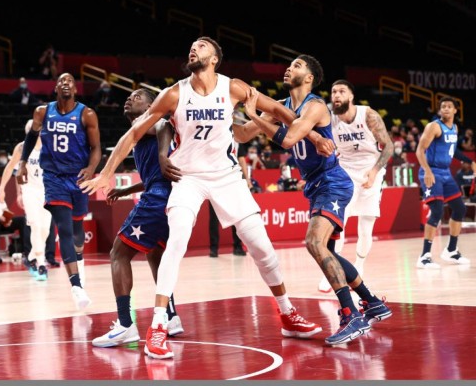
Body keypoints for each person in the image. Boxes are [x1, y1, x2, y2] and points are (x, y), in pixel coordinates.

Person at [81, 37, 325, 360]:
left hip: (227, 177)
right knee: (177, 240)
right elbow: (135, 132)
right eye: (193, 45)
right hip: (189, 178)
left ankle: (287, 313)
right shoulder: (174, 93)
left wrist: (314, 135)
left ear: (214, 59)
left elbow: (280, 110)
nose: (194, 48)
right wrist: (107, 172)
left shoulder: (232, 87)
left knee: (262, 248)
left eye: (203, 46)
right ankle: (158, 325)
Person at [241, 54, 391, 345]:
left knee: (314, 242)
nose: (289, 68)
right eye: (289, 65)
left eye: (296, 65)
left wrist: (255, 114)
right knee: (329, 252)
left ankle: (351, 314)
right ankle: (372, 302)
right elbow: (245, 134)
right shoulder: (282, 106)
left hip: (333, 182)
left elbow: (288, 138)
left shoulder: (316, 105)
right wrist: (221, 118)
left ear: (309, 77)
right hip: (316, 185)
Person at [92, 88, 184, 347]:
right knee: (155, 254)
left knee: (118, 254)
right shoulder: (144, 130)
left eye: (137, 97)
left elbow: (164, 124)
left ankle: (125, 324)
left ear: (151, 105)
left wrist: (163, 155)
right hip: (170, 199)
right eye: (129, 96)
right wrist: (125, 190)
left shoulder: (152, 122)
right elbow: (156, 174)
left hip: (157, 199)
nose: (129, 99)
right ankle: (171, 317)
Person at [17, 72, 102, 310]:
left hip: (78, 177)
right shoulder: (42, 112)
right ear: (56, 88)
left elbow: (96, 148)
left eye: (70, 82)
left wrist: (91, 168)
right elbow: (30, 138)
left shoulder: (87, 114)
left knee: (77, 231)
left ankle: (79, 264)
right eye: (62, 81)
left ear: (75, 89)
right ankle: (76, 286)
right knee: (64, 228)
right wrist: (22, 163)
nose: (66, 84)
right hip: (53, 177)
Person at [316, 80, 394, 294]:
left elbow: (388, 146)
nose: (336, 95)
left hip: (371, 169)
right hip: (345, 171)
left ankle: (359, 267)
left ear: (351, 96)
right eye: (333, 91)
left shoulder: (368, 115)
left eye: (341, 91)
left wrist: (375, 171)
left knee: (366, 228)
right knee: (336, 224)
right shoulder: (328, 117)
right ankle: (333, 271)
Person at [415, 97, 475, 269]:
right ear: (440, 110)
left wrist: (470, 161)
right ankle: (424, 256)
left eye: (449, 106)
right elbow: (420, 150)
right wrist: (427, 171)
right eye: (443, 107)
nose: (446, 109)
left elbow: (452, 150)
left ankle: (451, 250)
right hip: (431, 172)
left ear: (455, 110)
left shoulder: (454, 128)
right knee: (437, 211)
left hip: (445, 173)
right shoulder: (433, 126)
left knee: (460, 208)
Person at [0, 119, 57, 280]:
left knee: (45, 229)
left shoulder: (50, 146)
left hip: (47, 190)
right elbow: (10, 167)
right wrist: (2, 188)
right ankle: (41, 263)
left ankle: (31, 256)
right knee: (35, 225)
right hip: (29, 190)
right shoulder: (22, 147)